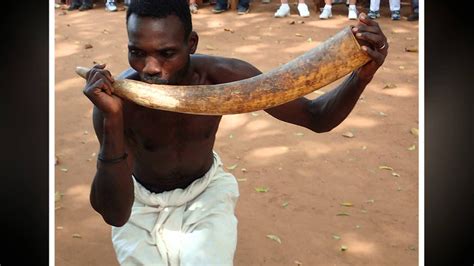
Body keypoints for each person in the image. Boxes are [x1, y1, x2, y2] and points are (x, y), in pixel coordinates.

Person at [82, 0, 388, 264]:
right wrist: (112, 122)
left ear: (191, 44)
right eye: (137, 52)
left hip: (205, 193)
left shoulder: (223, 77)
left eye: (166, 53)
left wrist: (362, 75)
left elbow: (316, 117)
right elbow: (116, 214)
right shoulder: (115, 104)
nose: (150, 68)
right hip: (140, 200)